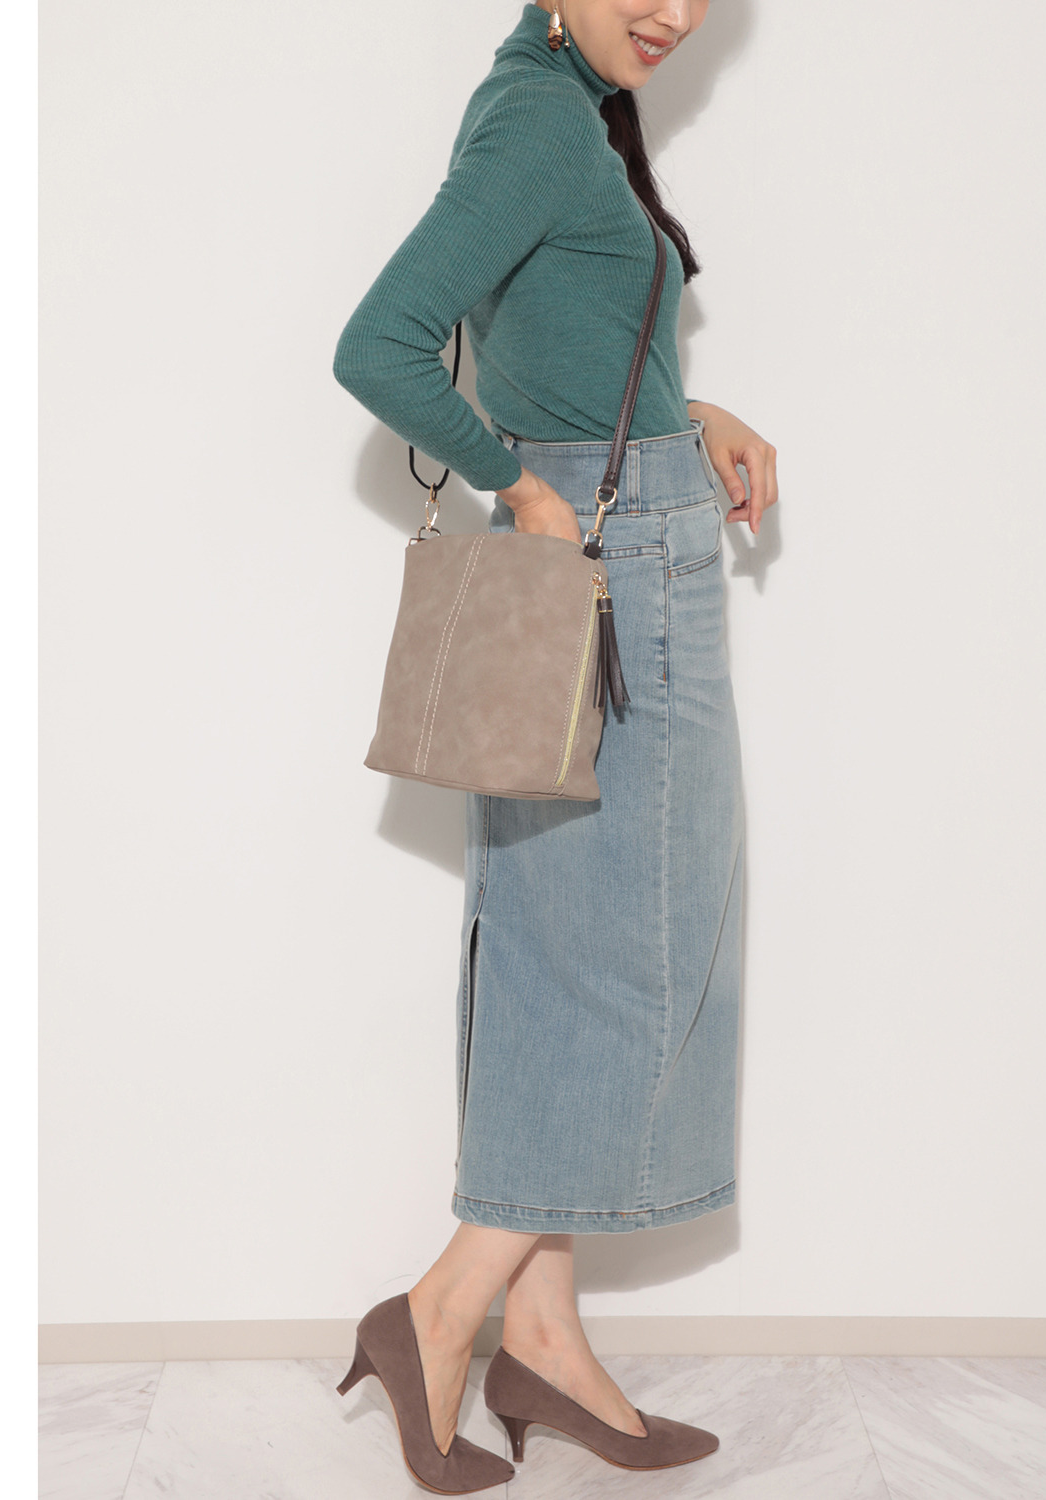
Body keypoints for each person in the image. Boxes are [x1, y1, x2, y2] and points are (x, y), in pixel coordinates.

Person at [331, 2, 777, 1491]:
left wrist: (688, 413)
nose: (678, 13)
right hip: (616, 569)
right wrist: (522, 492)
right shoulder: (538, 116)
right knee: (634, 954)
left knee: (569, 948)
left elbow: (542, 342)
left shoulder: (554, 101)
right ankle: (443, 1309)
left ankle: (541, 1335)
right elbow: (381, 344)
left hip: (632, 530)